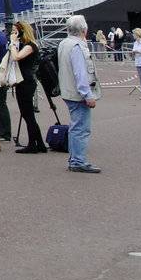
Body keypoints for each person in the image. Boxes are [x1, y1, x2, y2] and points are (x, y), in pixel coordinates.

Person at [58, 14, 101, 174]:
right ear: (84, 29)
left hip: (68, 89)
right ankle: (78, 161)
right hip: (78, 93)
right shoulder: (77, 46)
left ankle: (75, 158)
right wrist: (87, 95)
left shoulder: (64, 43)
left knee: (76, 126)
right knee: (81, 128)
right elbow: (80, 74)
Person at [8, 21, 45, 154]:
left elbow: (17, 57)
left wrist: (12, 43)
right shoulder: (26, 45)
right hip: (24, 80)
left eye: (15, 31)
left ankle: (32, 144)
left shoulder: (30, 46)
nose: (13, 34)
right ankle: (39, 143)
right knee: (27, 113)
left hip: (26, 81)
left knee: (27, 114)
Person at [130, 27, 141, 94]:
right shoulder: (135, 43)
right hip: (138, 63)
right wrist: (132, 53)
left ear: (137, 34)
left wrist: (138, 51)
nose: (133, 35)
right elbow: (133, 53)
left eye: (134, 34)